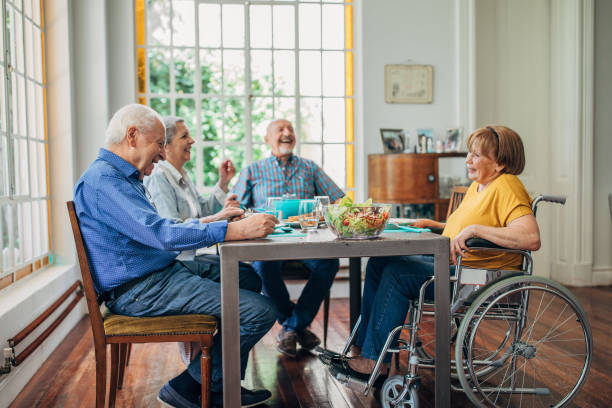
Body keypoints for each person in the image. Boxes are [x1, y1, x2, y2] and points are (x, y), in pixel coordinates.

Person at [73, 104, 279, 408]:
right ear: (132, 136)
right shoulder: (106, 181)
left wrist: (222, 224)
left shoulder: (122, 177)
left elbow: (164, 229)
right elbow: (162, 235)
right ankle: (186, 386)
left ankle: (220, 383)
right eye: (159, 143)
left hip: (157, 274)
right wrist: (232, 231)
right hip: (140, 289)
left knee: (247, 276)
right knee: (260, 310)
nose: (161, 153)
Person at [336, 125, 541, 377]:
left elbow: (530, 237)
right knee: (379, 263)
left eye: (476, 155)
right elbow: (469, 229)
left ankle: (372, 363)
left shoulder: (507, 185)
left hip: (477, 278)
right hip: (457, 267)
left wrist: (476, 229)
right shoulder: (481, 186)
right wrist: (437, 225)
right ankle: (364, 349)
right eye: (470, 153)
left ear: (499, 163)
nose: (468, 159)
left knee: (397, 274)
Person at [144, 115, 259, 366]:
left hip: (190, 258)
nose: (192, 140)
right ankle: (208, 368)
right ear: (166, 144)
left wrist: (222, 185)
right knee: (253, 296)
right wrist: (221, 218)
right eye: (185, 136)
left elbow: (201, 211)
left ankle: (217, 363)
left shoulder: (180, 175)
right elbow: (173, 231)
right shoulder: (159, 178)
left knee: (249, 276)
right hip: (177, 264)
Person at [233, 119, 344, 358]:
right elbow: (237, 208)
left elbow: (337, 198)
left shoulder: (309, 167)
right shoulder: (252, 171)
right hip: (268, 243)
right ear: (267, 139)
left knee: (329, 263)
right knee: (261, 266)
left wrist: (343, 213)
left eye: (291, 130)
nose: (287, 133)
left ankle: (291, 327)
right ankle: (296, 326)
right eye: (280, 130)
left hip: (308, 242)